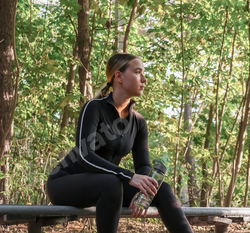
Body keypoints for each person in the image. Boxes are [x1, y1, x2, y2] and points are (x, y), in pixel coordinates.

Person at [47, 53, 193, 233]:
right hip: (65, 184)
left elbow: (144, 165)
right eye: (138, 72)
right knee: (111, 182)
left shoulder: (138, 121)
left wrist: (143, 192)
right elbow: (85, 156)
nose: (144, 79)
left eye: (143, 73)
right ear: (119, 76)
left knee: (163, 190)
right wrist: (129, 177)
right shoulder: (94, 108)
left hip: (107, 186)